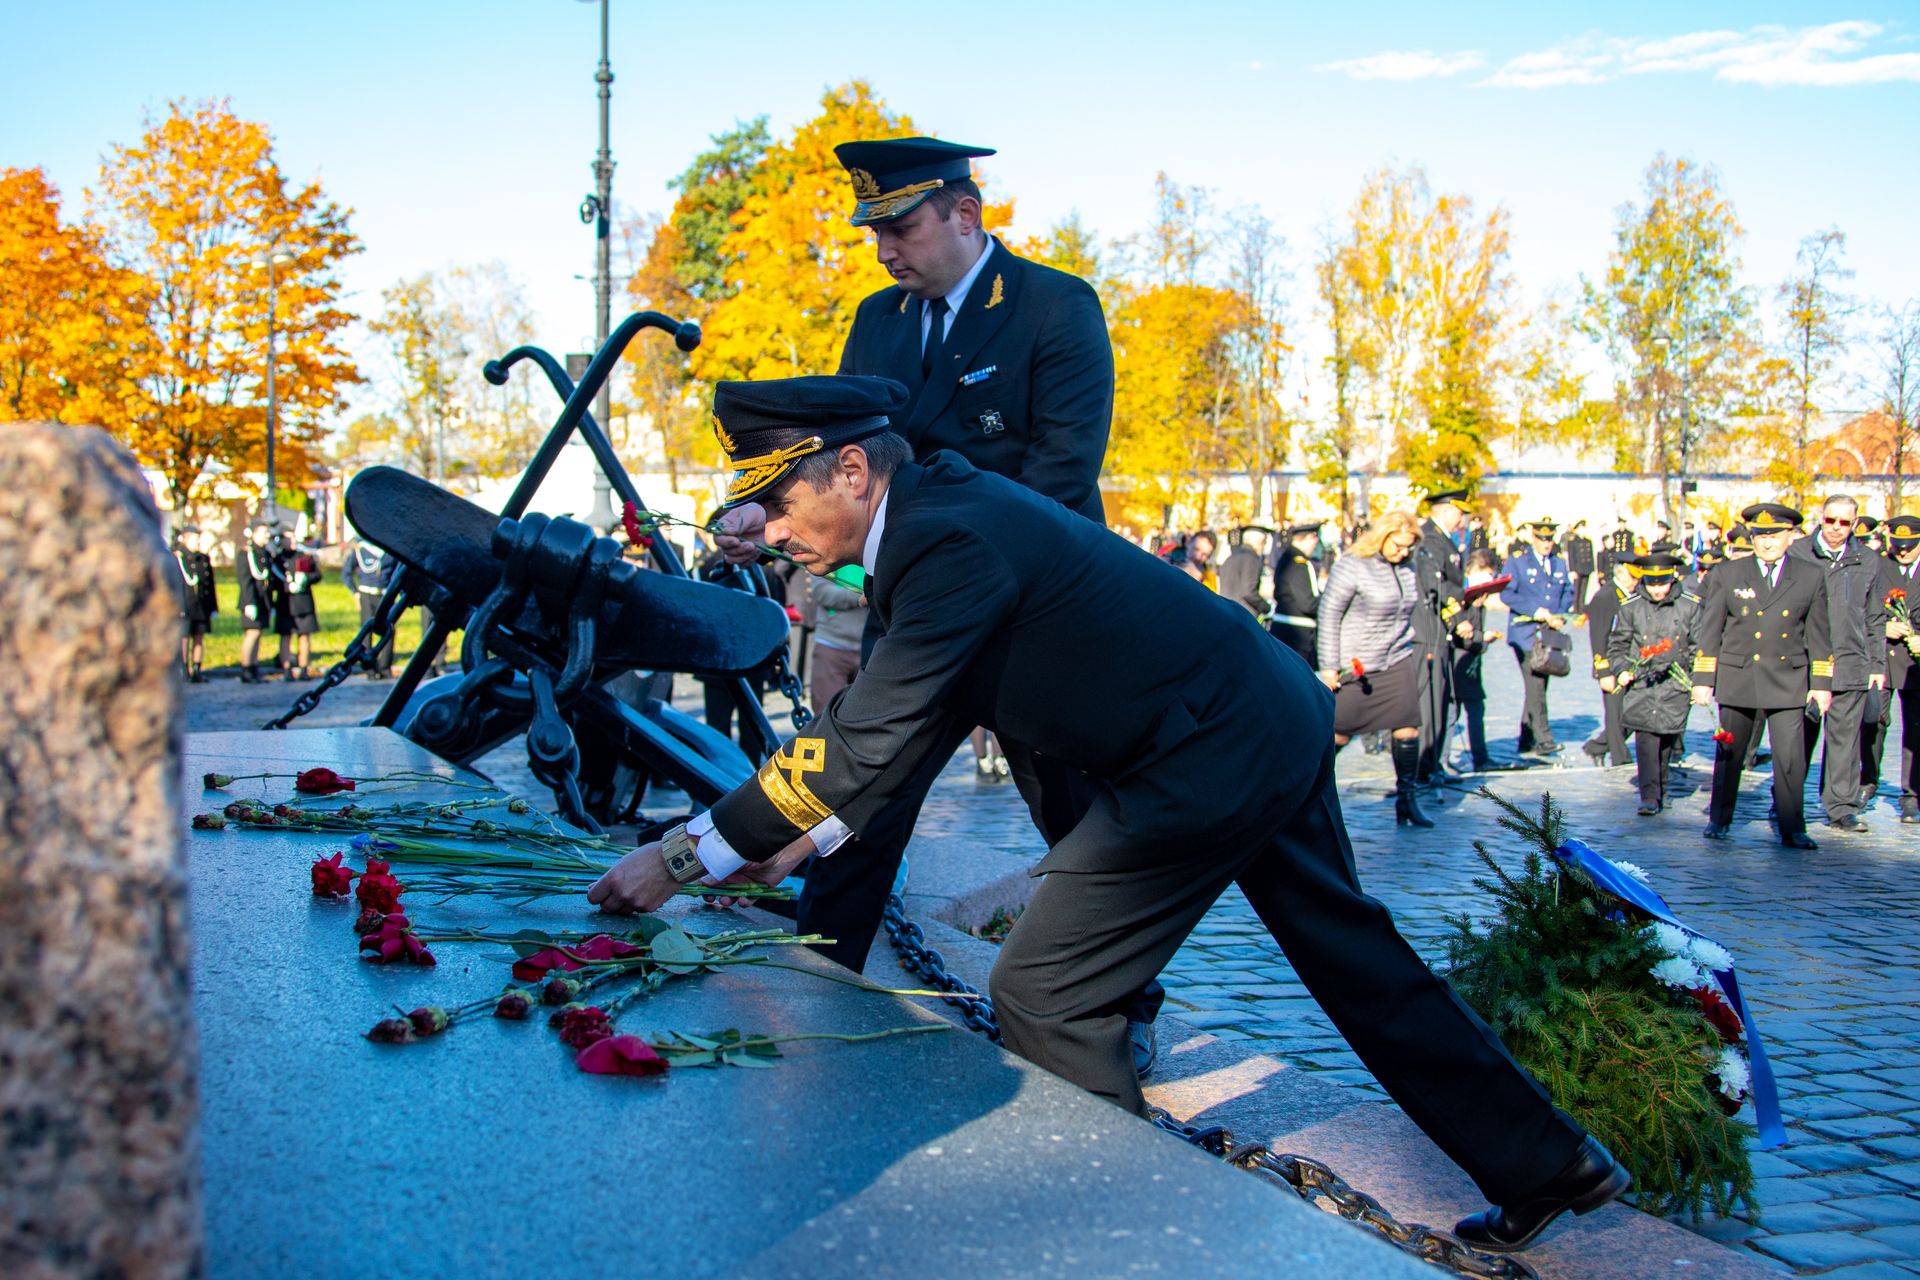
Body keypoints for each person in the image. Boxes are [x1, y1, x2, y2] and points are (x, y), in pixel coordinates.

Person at [590, 375, 1628, 1255]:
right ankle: (1551, 1160)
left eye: (778, 504)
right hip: (1254, 712)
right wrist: (806, 838)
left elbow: (863, 738)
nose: (771, 533)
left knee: (1046, 989)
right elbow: (907, 727)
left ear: (854, 473)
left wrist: (684, 856)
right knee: (1354, 955)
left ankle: (1134, 1237)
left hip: (1204, 751)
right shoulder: (940, 522)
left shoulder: (944, 541)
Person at [730, 137, 1167, 1073]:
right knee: (861, 792)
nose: (885, 247)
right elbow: (840, 460)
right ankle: (820, 969)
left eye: (902, 225)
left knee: (1069, 804)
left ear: (965, 215)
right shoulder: (878, 321)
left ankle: (1124, 997)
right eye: (874, 229)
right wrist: (765, 511)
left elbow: (1061, 474)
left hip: (1035, 620)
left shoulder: (1054, 307)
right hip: (918, 613)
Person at [1694, 504, 1833, 850]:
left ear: (1791, 536)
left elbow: (1819, 634)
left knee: (1790, 758)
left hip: (1788, 678)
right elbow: (1710, 630)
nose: (1767, 543)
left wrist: (1821, 685)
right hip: (1739, 675)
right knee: (1730, 754)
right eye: (1760, 535)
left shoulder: (1810, 575)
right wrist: (1703, 678)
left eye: (1774, 535)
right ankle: (1719, 818)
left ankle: (1792, 826)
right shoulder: (1728, 574)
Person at [1315, 510, 1432, 827]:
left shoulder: (1407, 567)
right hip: (1359, 664)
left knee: (1408, 725)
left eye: (1409, 546)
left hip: (1396, 658)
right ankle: (1303, 795)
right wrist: (1329, 667)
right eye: (1398, 544)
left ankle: (1407, 799)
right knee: (1339, 732)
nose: (1403, 552)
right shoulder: (1353, 565)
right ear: (1382, 537)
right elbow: (1329, 615)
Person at [1788, 494, 1886, 834]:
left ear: (1855, 525)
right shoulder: (1797, 552)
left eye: (1845, 522)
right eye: (1830, 520)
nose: (1836, 528)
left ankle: (1841, 806)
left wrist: (1876, 664)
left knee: (1845, 741)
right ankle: (1787, 802)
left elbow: (1875, 617)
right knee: (1798, 738)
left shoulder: (1869, 560)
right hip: (1805, 663)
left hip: (1851, 661)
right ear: (1821, 518)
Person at [1606, 553, 1700, 815]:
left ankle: (1662, 787)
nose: (1658, 590)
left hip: (1674, 684)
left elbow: (1697, 646)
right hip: (1642, 684)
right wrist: (1622, 668)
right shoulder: (1630, 606)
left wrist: (1695, 680)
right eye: (1652, 584)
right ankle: (1650, 795)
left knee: (1667, 738)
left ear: (1672, 579)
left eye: (1663, 583)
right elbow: (1618, 644)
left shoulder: (1690, 606)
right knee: (1646, 738)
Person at [1502, 517, 1575, 757]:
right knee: (1535, 685)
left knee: (1539, 684)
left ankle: (1526, 738)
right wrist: (1537, 612)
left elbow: (1568, 592)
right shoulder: (1518, 562)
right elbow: (1507, 594)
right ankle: (1544, 739)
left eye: (1549, 539)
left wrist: (1559, 614)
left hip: (1548, 634)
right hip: (1525, 633)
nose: (1546, 544)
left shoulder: (1559, 563)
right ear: (1533, 538)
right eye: (1542, 539)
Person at [1413, 489, 1469, 783]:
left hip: (1437, 629)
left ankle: (1432, 763)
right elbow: (1436, 585)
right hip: (1428, 630)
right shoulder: (1431, 540)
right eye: (1459, 513)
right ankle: (1425, 765)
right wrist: (1458, 617)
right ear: (1446, 510)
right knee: (1430, 700)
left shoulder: (1439, 540)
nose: (1462, 520)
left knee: (1440, 698)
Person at [1867, 515, 1920, 823]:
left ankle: (1912, 794)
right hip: (1882, 657)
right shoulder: (1878, 566)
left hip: (1915, 663)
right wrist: (1882, 627)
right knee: (1873, 721)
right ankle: (1868, 780)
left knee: (1915, 728)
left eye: (1910, 547)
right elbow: (1862, 608)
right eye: (1898, 546)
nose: (1902, 552)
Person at [1584, 556, 1638, 768]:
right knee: (1615, 716)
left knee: (1632, 712)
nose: (1635, 581)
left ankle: (1597, 747)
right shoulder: (1605, 596)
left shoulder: (1629, 595)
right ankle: (1620, 759)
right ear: (1620, 573)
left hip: (1628, 663)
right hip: (1611, 666)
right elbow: (1598, 637)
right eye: (1632, 577)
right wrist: (1603, 671)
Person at [1453, 549, 1504, 771]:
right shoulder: (1462, 595)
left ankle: (1480, 757)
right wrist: (1484, 640)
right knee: (1455, 713)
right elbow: (1463, 635)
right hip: (1460, 661)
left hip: (1471, 663)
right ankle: (1447, 759)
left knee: (1474, 710)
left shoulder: (1477, 598)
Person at [804, 571, 867, 721]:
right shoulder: (825, 554)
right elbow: (822, 592)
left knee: (865, 716)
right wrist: (861, 596)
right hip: (832, 644)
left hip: (869, 646)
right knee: (824, 712)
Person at [341, 535, 397, 678]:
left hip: (385, 593)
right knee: (367, 632)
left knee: (388, 630)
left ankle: (385, 667)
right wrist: (355, 591)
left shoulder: (390, 548)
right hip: (366, 592)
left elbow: (396, 572)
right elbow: (346, 573)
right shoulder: (361, 549)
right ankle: (370, 668)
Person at [1269, 521, 1324, 664]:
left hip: (1287, 631)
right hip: (1297, 635)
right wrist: (1327, 601)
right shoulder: (1299, 564)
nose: (1315, 545)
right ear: (1309, 538)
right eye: (1314, 540)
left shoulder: (1287, 558)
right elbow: (1307, 604)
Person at [235, 520, 278, 684]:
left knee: (258, 634)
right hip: (251, 600)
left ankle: (254, 667)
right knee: (251, 634)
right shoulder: (247, 553)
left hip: (263, 600)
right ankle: (246, 668)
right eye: (263, 532)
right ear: (253, 534)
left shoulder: (264, 553)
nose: (267, 536)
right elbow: (245, 580)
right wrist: (248, 603)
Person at [174, 526, 216, 683]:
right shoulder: (178, 558)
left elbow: (209, 585)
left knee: (199, 636)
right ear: (185, 539)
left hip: (201, 604)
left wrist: (213, 606)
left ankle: (197, 668)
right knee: (184, 637)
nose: (198, 541)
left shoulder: (203, 559)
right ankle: (184, 670)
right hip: (185, 603)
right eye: (194, 538)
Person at [276, 538, 321, 680]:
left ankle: (303, 668)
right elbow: (273, 579)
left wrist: (306, 578)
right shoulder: (278, 559)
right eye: (288, 539)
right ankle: (286, 669)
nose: (292, 541)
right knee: (286, 636)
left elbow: (317, 575)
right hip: (286, 603)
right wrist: (285, 586)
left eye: (293, 538)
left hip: (304, 602)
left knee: (304, 636)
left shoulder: (304, 556)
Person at [1215, 526, 1271, 616]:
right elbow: (1249, 592)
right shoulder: (1251, 559)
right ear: (1257, 542)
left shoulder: (1230, 558)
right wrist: (1266, 607)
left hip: (1228, 611)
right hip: (1243, 614)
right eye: (1263, 542)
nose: (1264, 546)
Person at [1564, 519, 1595, 608]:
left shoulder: (1588, 541)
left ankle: (1581, 607)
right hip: (1578, 568)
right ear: (1576, 530)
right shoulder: (1573, 542)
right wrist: (1572, 570)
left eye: (1583, 528)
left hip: (1586, 568)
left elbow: (1591, 556)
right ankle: (1576, 607)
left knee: (1584, 590)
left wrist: (1592, 568)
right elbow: (1571, 557)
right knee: (1577, 590)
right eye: (1580, 529)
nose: (1582, 531)